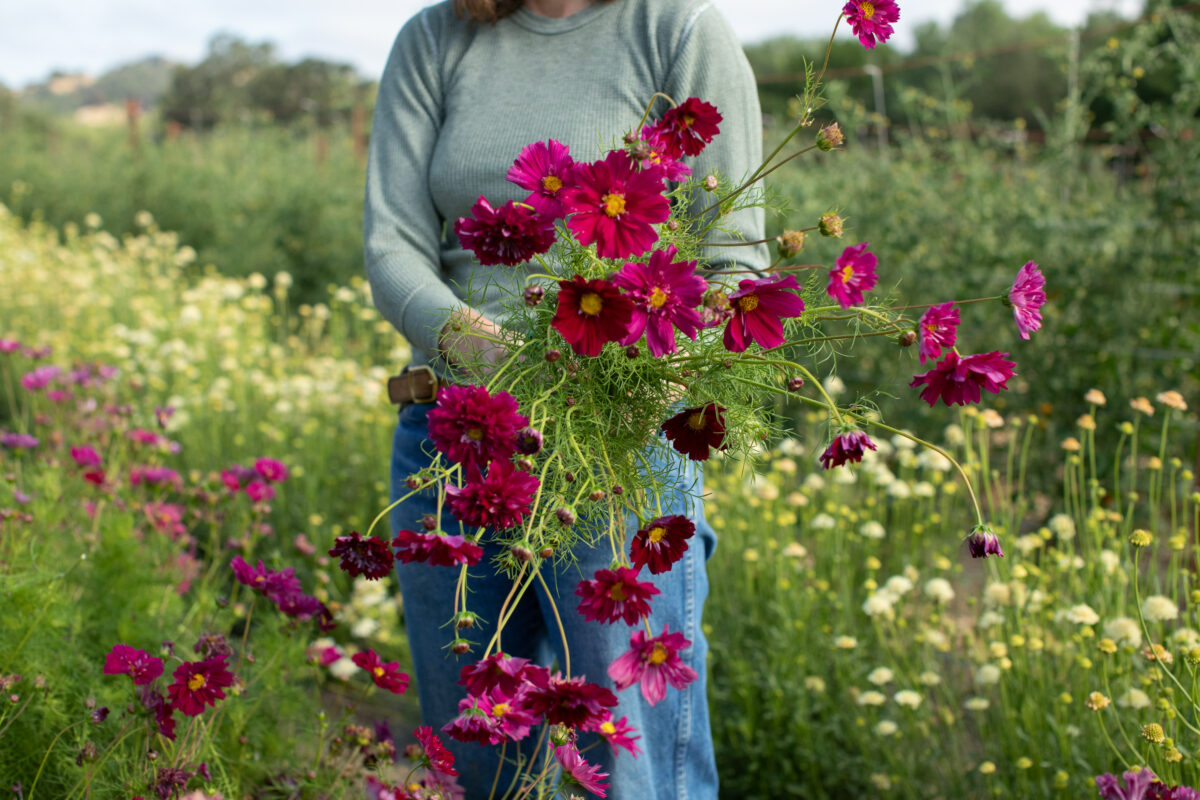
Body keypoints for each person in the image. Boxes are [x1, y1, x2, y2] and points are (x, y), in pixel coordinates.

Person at [363, 1, 767, 797]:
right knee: (481, 757)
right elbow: (392, 245)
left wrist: (645, 380)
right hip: (454, 440)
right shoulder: (437, 36)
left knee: (629, 763)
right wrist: (486, 352)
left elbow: (735, 262)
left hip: (615, 451)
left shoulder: (677, 28)